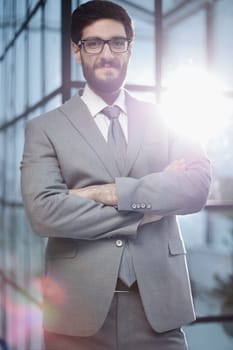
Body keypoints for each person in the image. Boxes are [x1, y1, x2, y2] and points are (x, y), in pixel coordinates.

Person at [20, 1, 211, 349]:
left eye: (117, 42)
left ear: (129, 48)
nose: (106, 53)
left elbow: (196, 187)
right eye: (93, 43)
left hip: (159, 311)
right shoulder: (44, 129)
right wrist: (148, 208)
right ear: (76, 51)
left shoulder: (168, 118)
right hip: (75, 316)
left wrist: (102, 193)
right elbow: (44, 212)